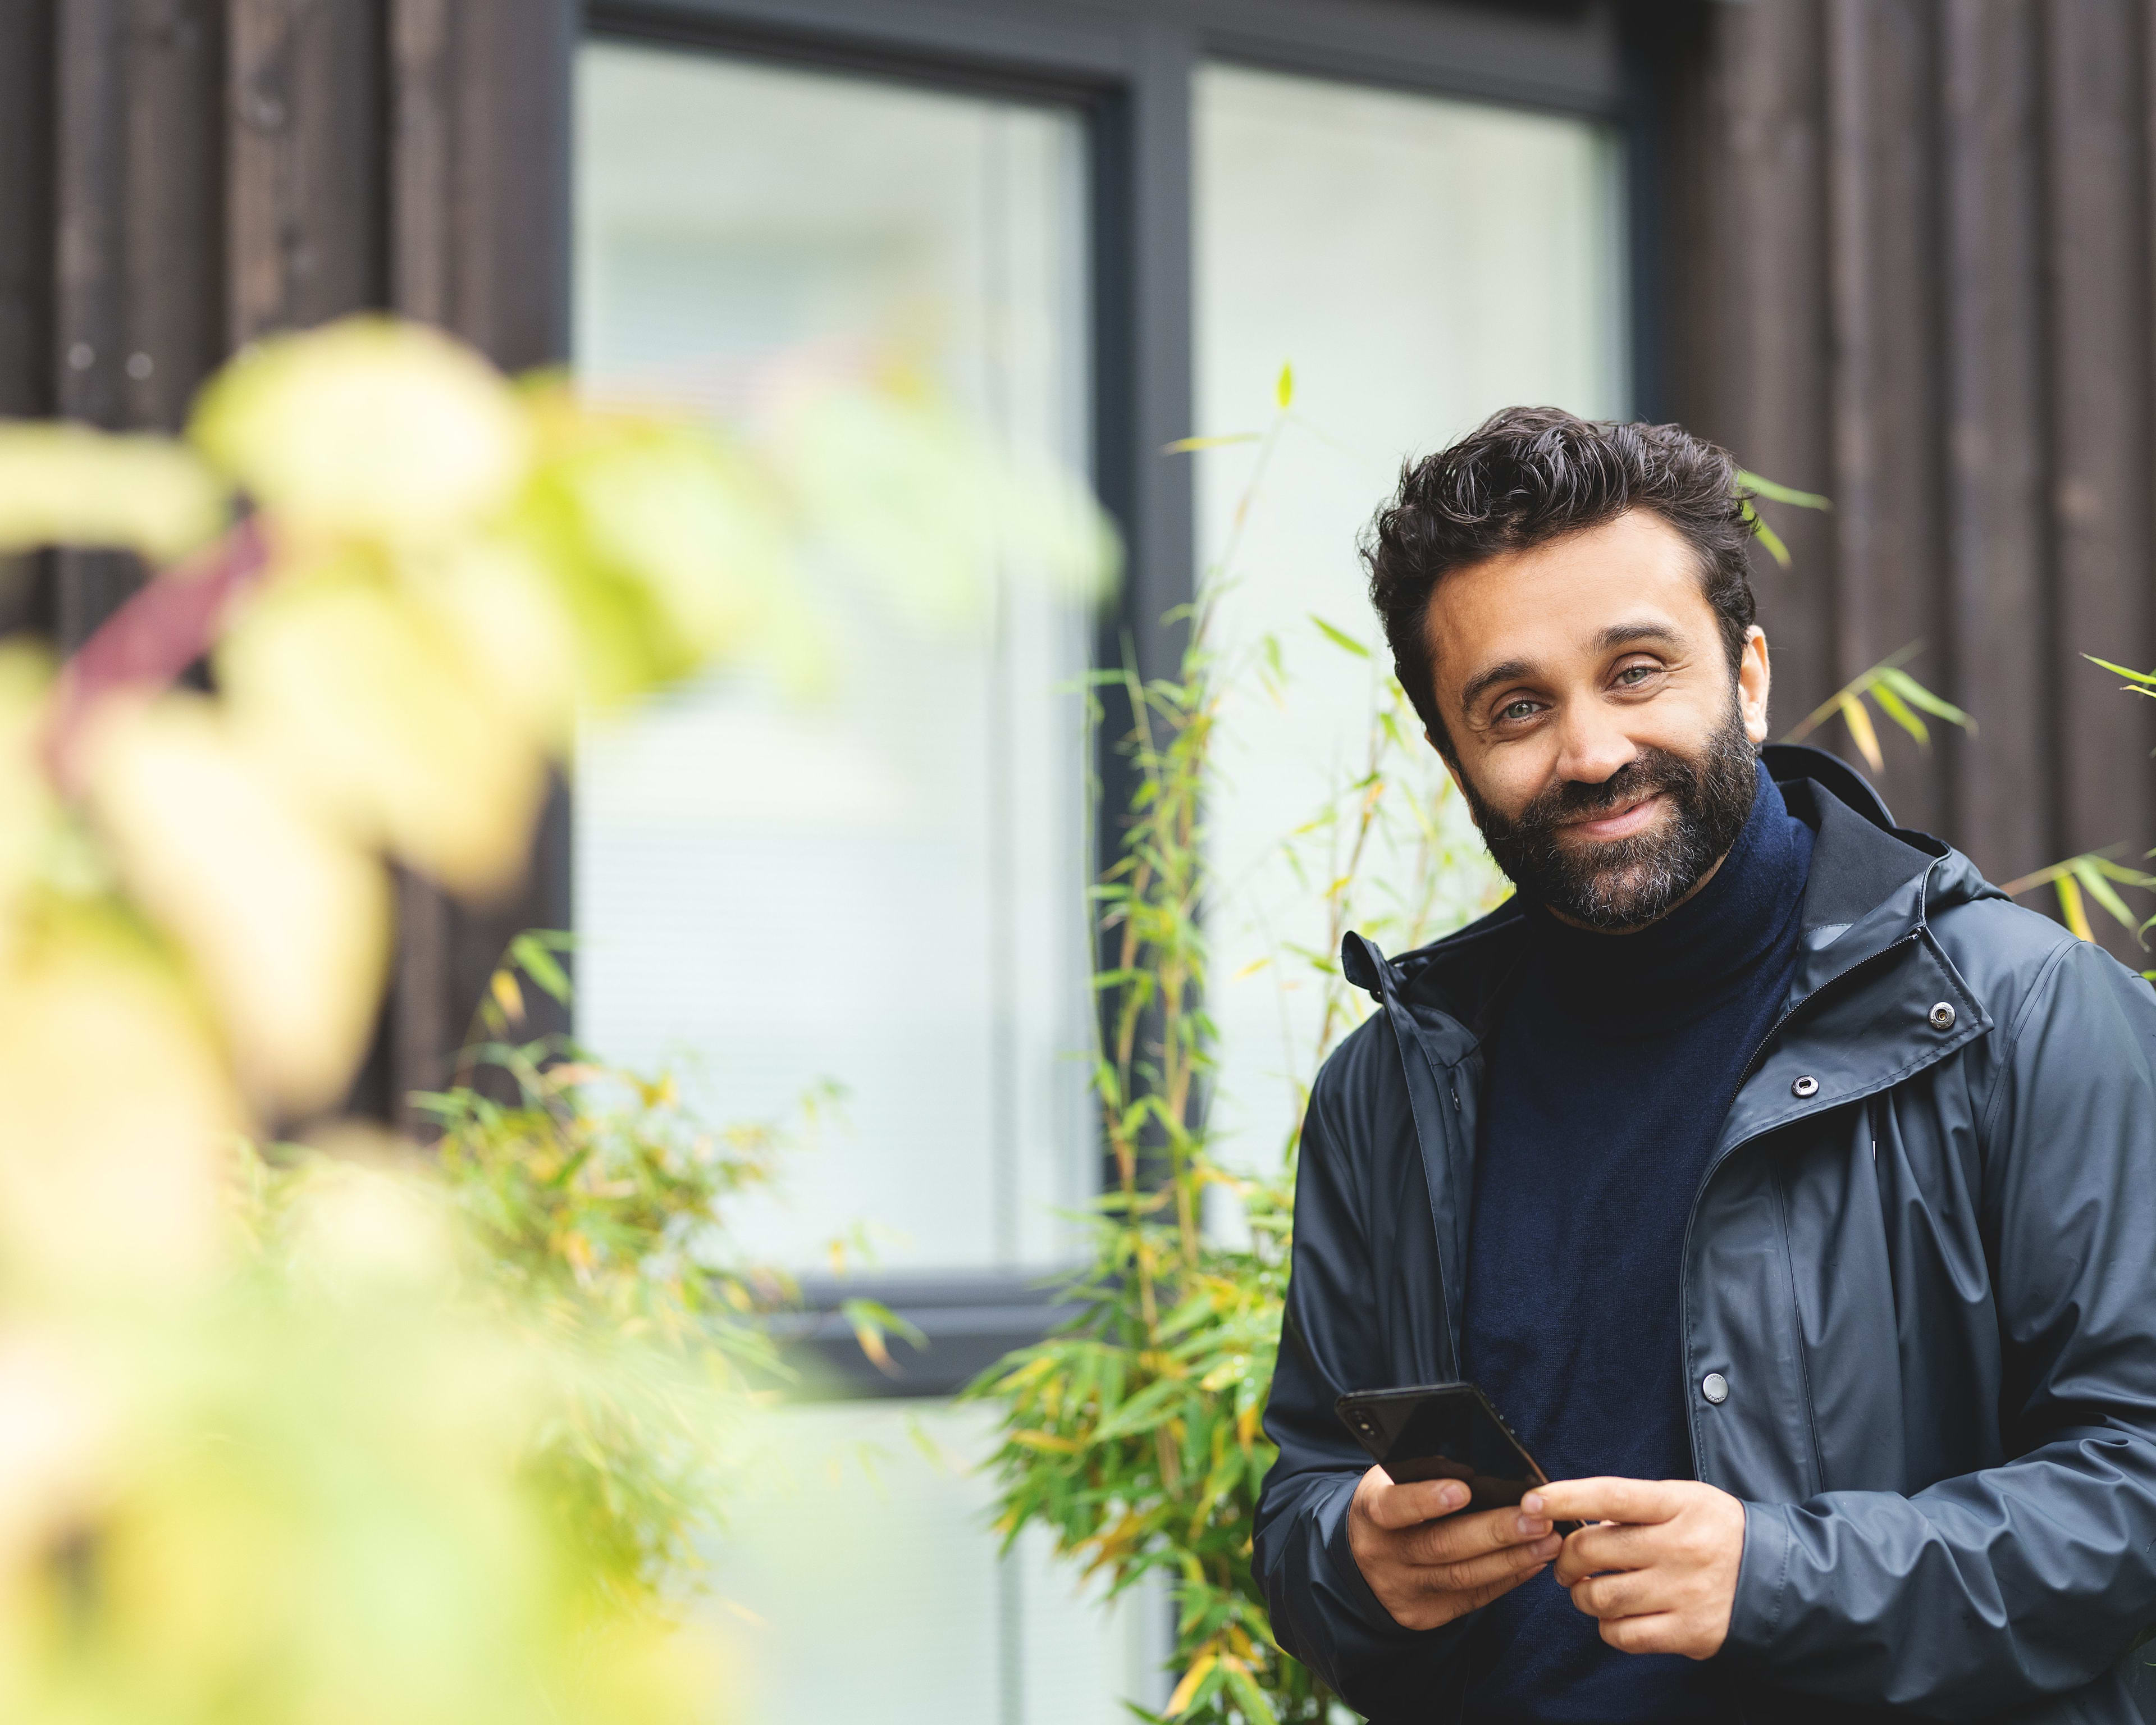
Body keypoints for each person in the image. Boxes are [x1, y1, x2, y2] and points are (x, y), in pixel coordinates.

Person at [1251, 407, 2156, 1723]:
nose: (1593, 752)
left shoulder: (2027, 1015)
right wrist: (1357, 1563)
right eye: (1515, 707)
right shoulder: (1388, 1090)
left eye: (1636, 671)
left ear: (1748, 672)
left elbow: (2137, 1486)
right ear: (1452, 759)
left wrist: (1782, 1577)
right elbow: (1304, 1505)